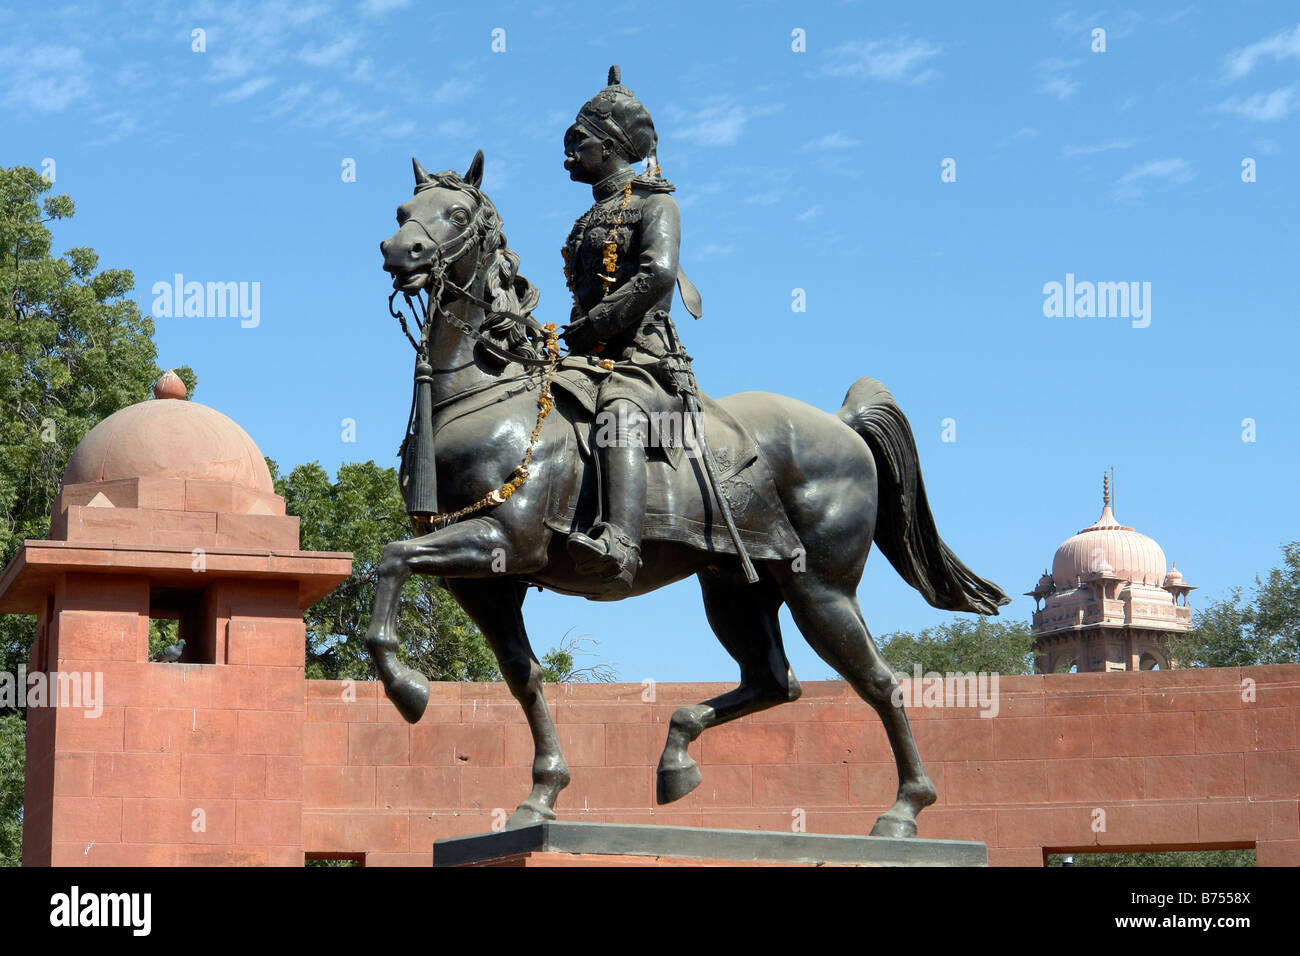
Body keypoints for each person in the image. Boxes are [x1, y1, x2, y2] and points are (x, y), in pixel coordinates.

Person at [560, 65, 683, 593]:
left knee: (619, 413)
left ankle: (620, 543)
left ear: (609, 146)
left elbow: (658, 275)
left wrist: (591, 328)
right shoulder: (588, 219)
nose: (569, 152)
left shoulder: (655, 202)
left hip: (643, 359)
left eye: (578, 141)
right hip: (590, 353)